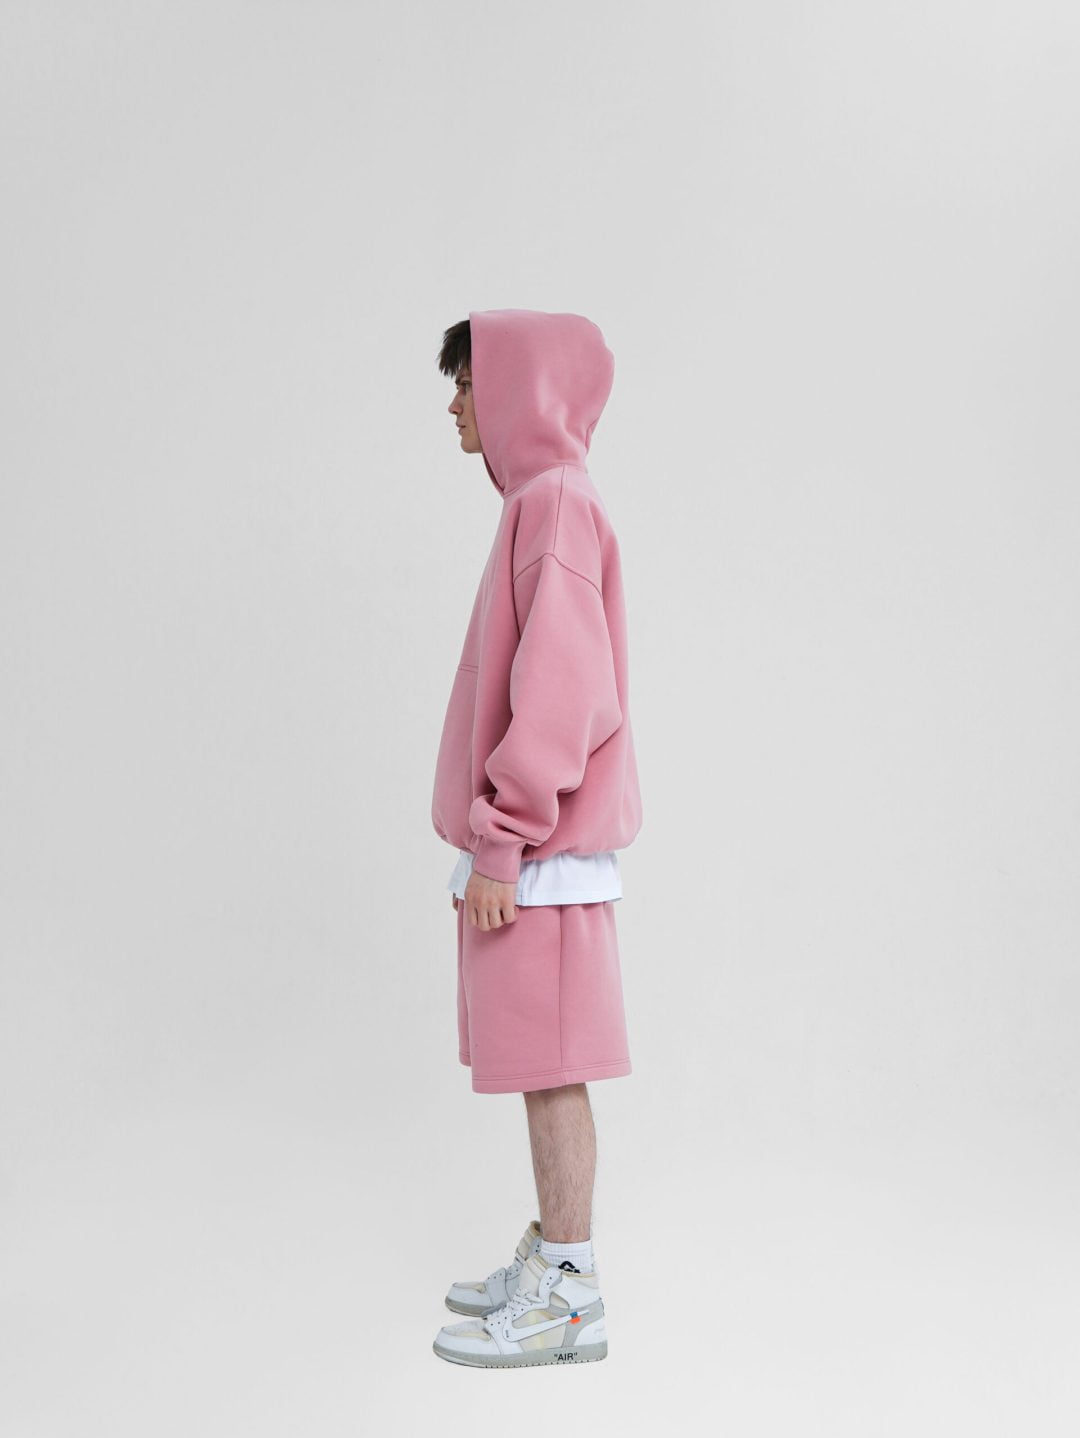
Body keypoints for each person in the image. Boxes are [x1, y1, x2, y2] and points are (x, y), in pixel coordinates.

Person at [429, 308, 643, 1369]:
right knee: (541, 1068)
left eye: (468, 383)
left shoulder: (555, 504)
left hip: (542, 859)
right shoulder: (540, 503)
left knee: (555, 1070)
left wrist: (504, 837)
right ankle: (556, 1260)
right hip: (536, 857)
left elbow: (565, 696)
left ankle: (570, 1294)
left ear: (517, 389)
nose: (455, 406)